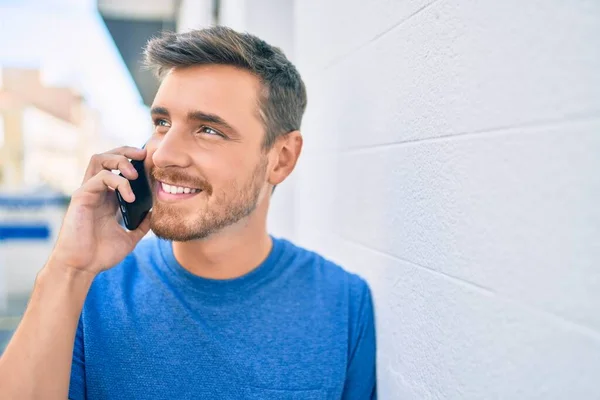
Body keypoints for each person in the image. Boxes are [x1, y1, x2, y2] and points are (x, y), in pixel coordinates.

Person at [0, 26, 376, 399]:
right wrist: (69, 269)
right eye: (162, 123)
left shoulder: (341, 303)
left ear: (281, 158)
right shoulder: (88, 291)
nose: (163, 154)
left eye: (208, 130)